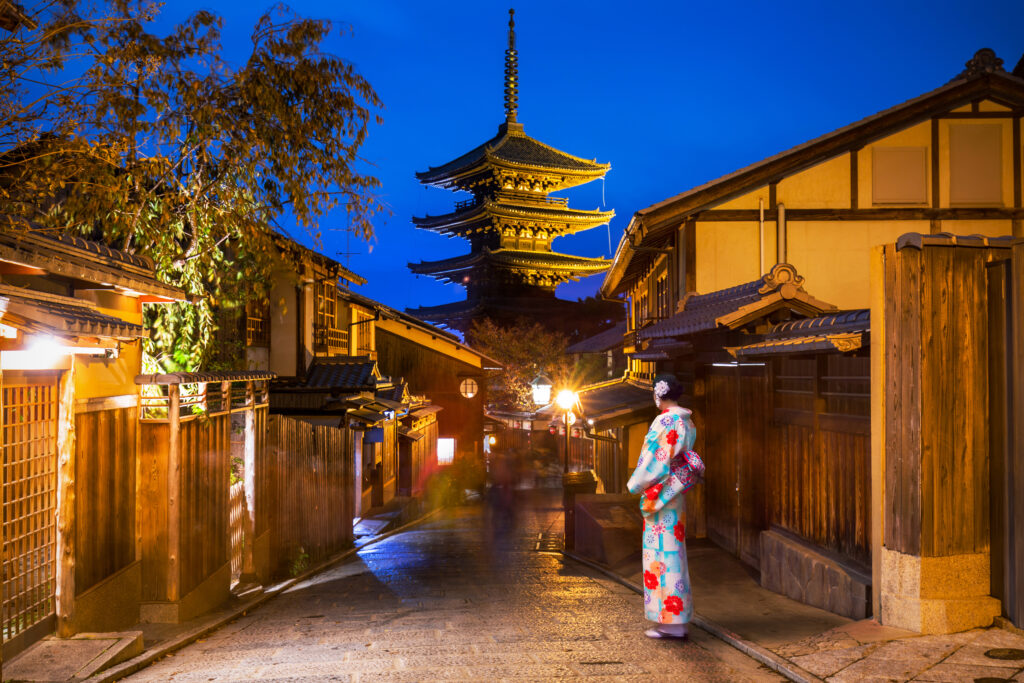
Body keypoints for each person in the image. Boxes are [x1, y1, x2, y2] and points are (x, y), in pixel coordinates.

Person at [626, 373, 705, 640]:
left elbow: (654, 458)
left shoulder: (666, 421)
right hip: (676, 493)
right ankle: (676, 621)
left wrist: (636, 482)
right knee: (674, 555)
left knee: (661, 557)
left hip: (661, 494)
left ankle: (669, 622)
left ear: (658, 394)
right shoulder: (687, 421)